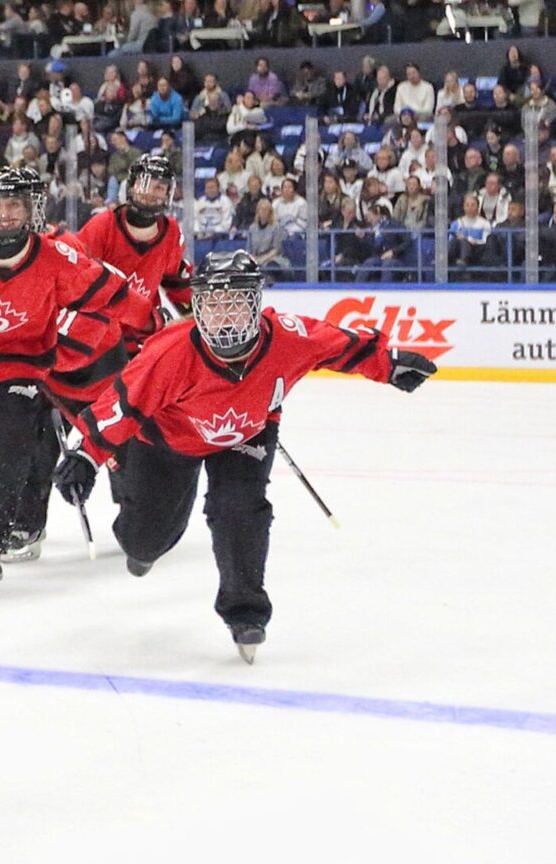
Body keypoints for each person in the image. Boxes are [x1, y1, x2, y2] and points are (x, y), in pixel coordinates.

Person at [52, 250, 437, 662]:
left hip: (246, 434)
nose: (224, 316)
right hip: (169, 441)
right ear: (198, 307)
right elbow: (122, 404)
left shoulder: (286, 336)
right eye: (213, 305)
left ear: (255, 304)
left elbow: (340, 346)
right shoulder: (170, 352)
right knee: (144, 539)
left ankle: (245, 612)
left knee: (240, 509)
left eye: (235, 302)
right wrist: (85, 455)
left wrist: (389, 364)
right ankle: (144, 547)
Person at [0, 167, 126, 591]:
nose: (4, 215)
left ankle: (4, 534)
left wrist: (65, 353)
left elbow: (104, 301)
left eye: (15, 204)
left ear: (33, 207)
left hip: (36, 367)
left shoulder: (61, 250)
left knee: (20, 442)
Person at [77, 153, 191, 357]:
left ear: (169, 194)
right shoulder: (102, 226)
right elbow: (77, 282)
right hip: (98, 339)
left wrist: (197, 312)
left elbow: (176, 283)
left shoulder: (171, 232)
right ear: (130, 187)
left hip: (143, 337)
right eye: (144, 183)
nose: (150, 192)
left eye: (159, 187)